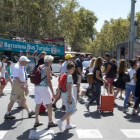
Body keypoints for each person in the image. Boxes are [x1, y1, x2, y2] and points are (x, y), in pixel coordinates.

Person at [34, 55, 57, 128]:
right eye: (52, 61)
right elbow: (48, 81)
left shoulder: (40, 66)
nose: (52, 63)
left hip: (36, 86)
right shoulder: (47, 68)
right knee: (49, 104)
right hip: (43, 87)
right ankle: (50, 121)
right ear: (49, 62)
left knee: (37, 104)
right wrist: (53, 92)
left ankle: (36, 121)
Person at [57, 61, 77, 132]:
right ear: (71, 68)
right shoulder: (69, 76)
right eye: (74, 68)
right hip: (68, 95)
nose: (74, 70)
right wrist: (70, 97)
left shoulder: (64, 74)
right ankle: (60, 120)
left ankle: (68, 125)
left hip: (63, 94)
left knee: (68, 110)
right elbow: (69, 87)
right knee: (73, 110)